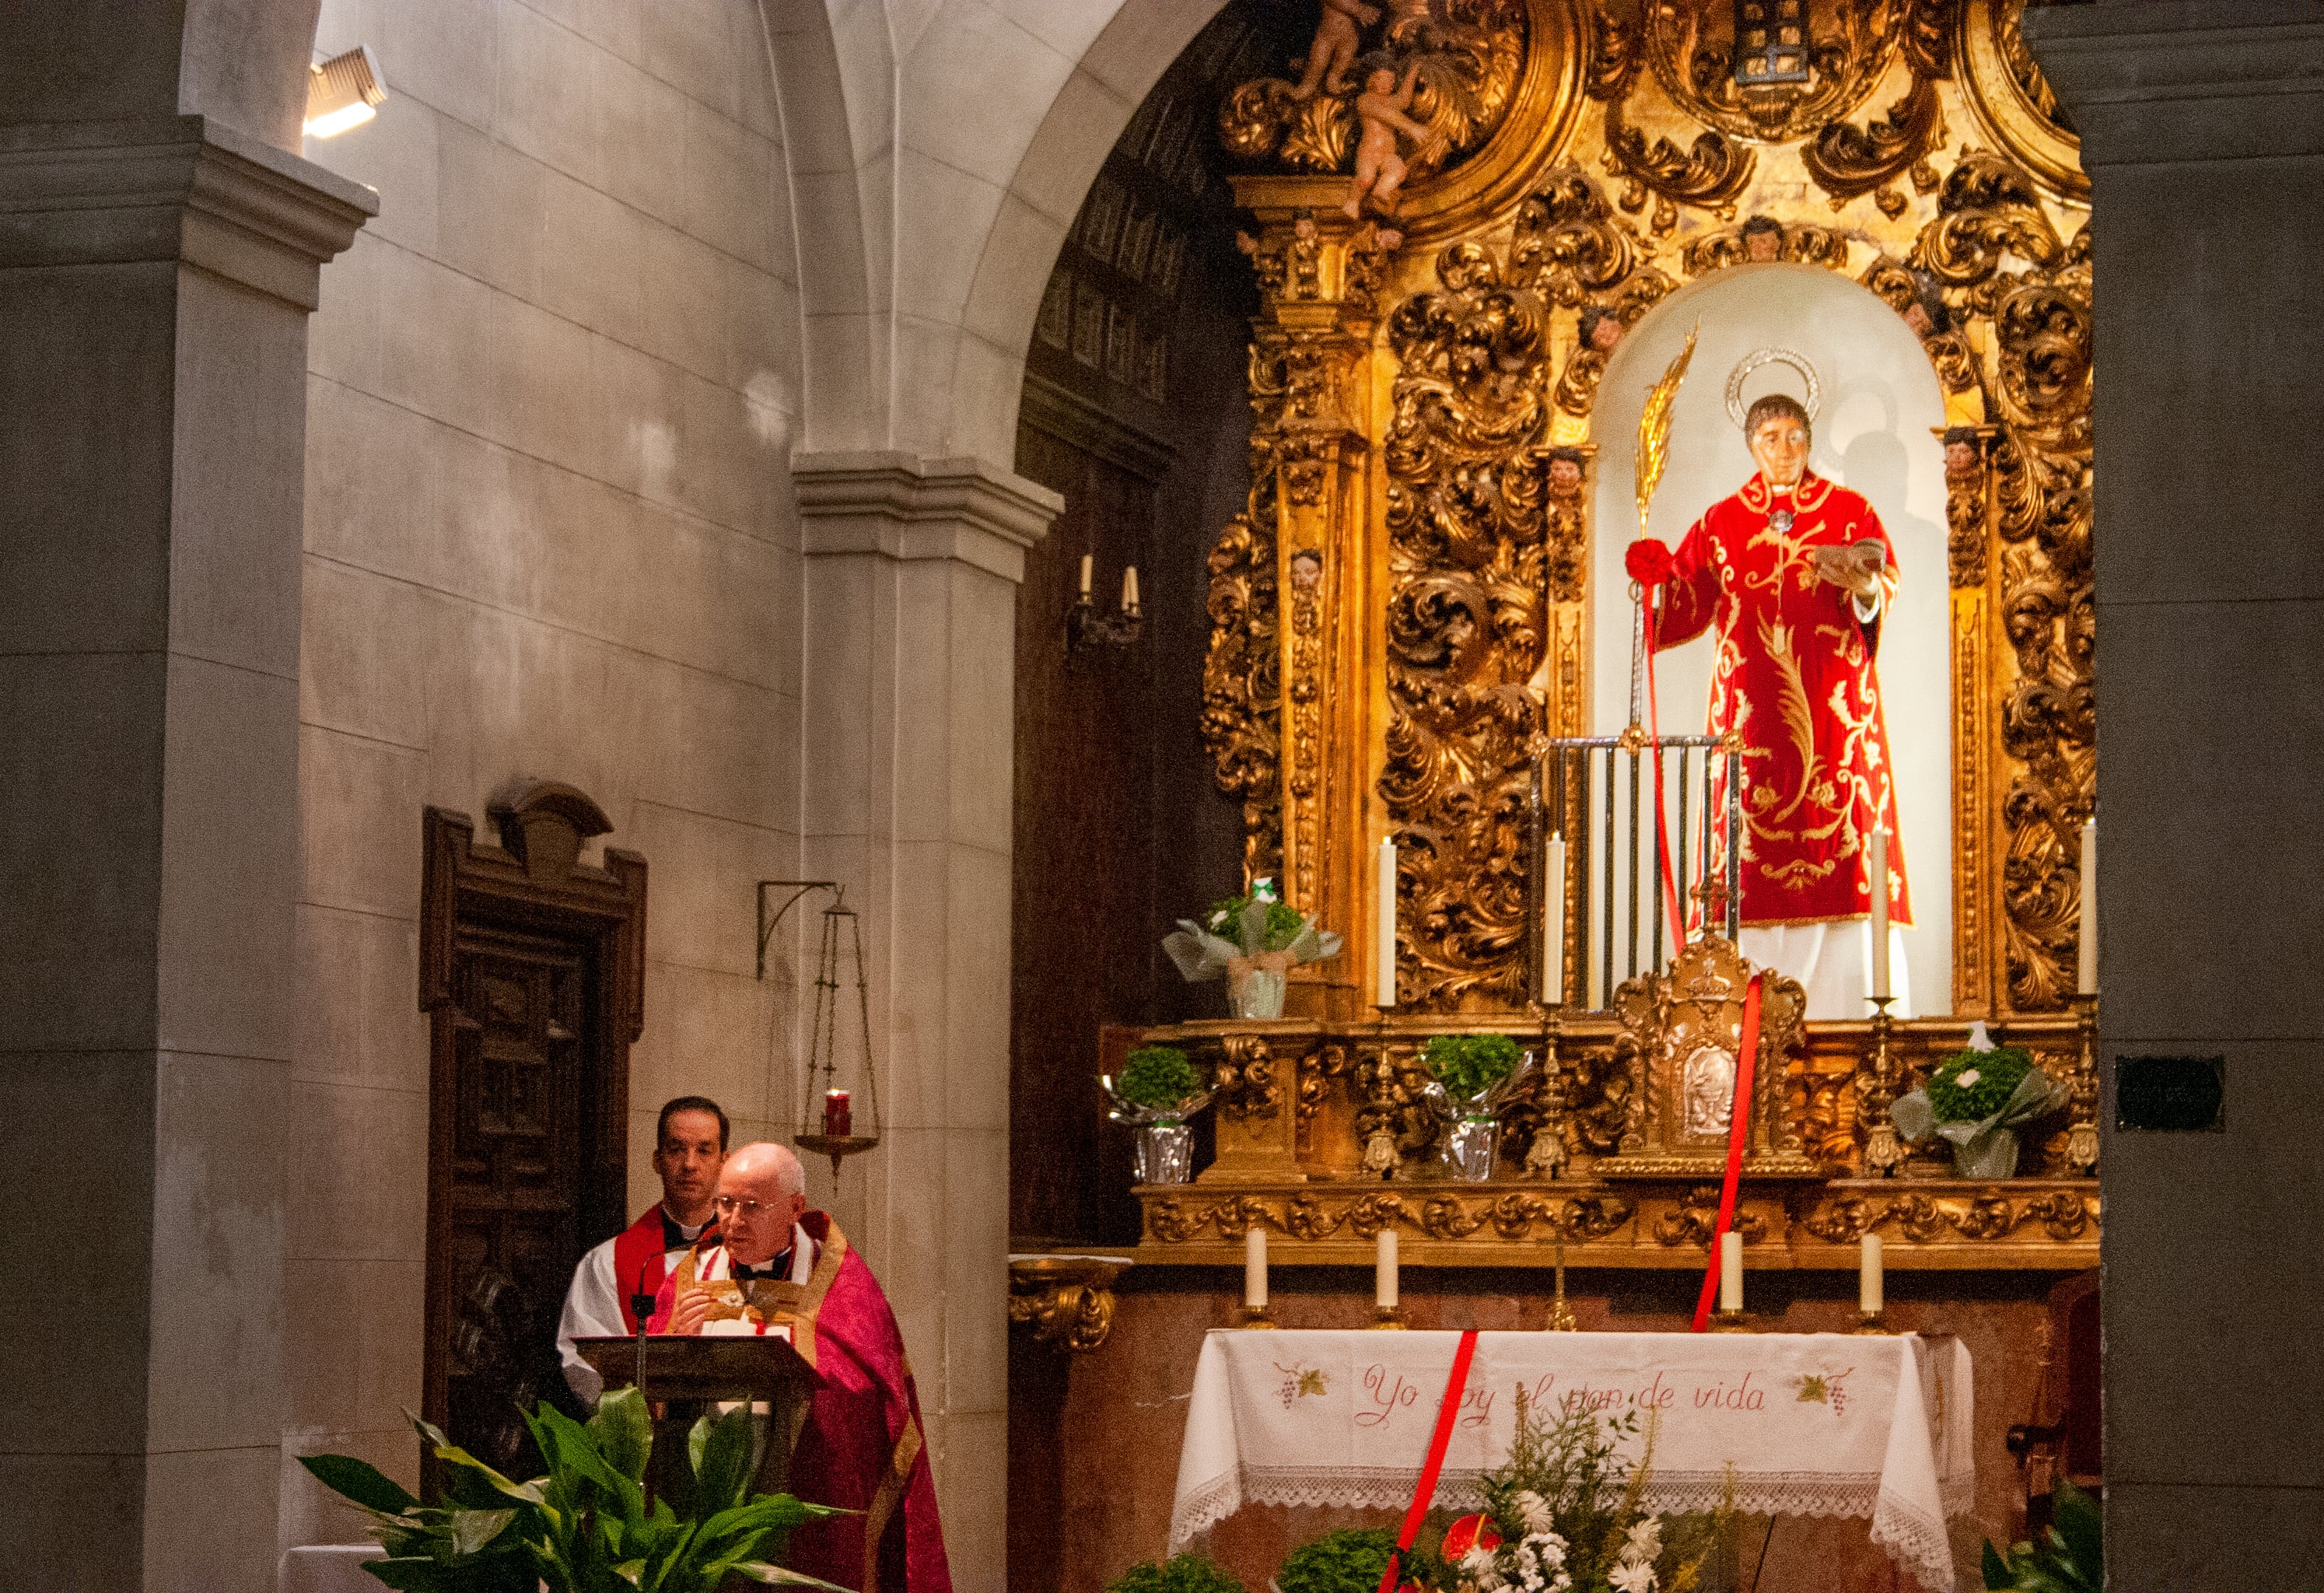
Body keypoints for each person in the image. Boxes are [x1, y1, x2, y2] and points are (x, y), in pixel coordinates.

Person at [1629, 391, 1910, 1003]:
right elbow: (1681, 606)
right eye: (1769, 438)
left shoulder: (1849, 510)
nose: (1782, 450)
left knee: (1843, 841)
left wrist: (1863, 584)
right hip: (1748, 730)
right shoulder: (1721, 521)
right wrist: (1651, 580)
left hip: (1837, 723)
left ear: (1808, 442)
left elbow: (1883, 582)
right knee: (1743, 862)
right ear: (1751, 445)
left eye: (1793, 437)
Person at [656, 1142, 951, 1593]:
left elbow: (871, 1390)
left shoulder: (841, 1281)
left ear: (796, 1207)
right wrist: (673, 1339)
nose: (733, 1220)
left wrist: (803, 1379)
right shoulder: (689, 1278)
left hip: (806, 1476)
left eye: (751, 1207)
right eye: (725, 1203)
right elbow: (645, 1378)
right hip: (703, 1478)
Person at [554, 1094, 726, 1405]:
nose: (689, 1164)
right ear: (657, 1161)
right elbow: (581, 1364)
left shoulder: (749, 1257)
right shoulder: (608, 1262)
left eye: (704, 1150)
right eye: (676, 1150)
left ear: (724, 1162)